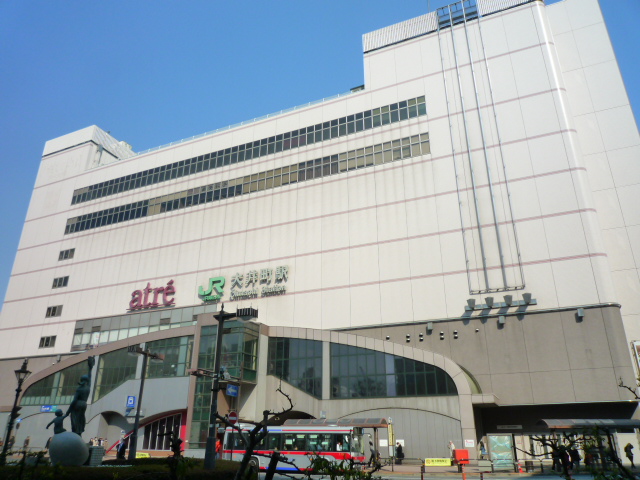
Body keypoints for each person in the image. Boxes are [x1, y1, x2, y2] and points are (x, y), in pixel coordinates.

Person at [66, 356, 95, 436]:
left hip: (78, 404)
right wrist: (90, 368)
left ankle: (75, 433)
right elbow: (90, 378)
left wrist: (68, 411)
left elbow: (74, 400)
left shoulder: (79, 389)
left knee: (74, 419)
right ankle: (80, 432)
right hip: (84, 404)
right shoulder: (88, 387)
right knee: (81, 418)